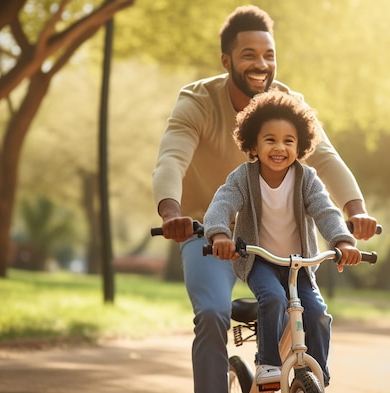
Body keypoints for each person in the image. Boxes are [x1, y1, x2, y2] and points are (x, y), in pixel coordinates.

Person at [152, 5, 377, 392]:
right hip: (211, 233)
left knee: (309, 314)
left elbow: (326, 159)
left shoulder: (287, 104)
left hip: (275, 239)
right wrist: (171, 211)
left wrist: (355, 212)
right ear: (226, 60)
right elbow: (172, 157)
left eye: (269, 54)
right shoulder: (198, 101)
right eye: (249, 55)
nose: (262, 63)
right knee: (211, 313)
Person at [203, 89, 361, 386]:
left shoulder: (307, 179)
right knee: (273, 298)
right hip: (261, 261)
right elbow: (221, 204)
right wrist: (220, 234)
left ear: (300, 145)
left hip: (299, 265)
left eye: (289, 141)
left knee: (317, 314)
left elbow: (326, 211)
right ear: (253, 143)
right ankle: (267, 364)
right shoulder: (243, 178)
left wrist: (342, 241)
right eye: (270, 139)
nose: (280, 147)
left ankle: (317, 377)